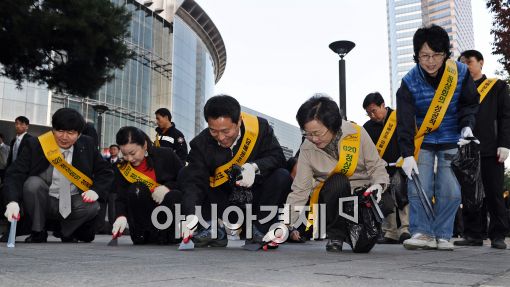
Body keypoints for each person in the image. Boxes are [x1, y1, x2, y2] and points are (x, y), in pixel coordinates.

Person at [396, 24, 479, 251]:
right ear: (416, 56)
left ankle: (442, 234)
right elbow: (403, 121)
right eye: (424, 55)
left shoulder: (460, 72)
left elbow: (470, 103)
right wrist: (406, 154)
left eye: (436, 54)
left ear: (445, 54)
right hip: (422, 141)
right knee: (419, 185)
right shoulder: (409, 82)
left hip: (452, 138)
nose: (430, 61)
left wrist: (467, 127)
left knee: (450, 188)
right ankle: (422, 232)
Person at [179, 95, 292, 248]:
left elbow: (278, 158)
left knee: (282, 176)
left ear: (238, 121)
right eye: (213, 131)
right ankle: (212, 228)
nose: (220, 138)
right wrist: (190, 214)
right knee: (186, 173)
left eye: (226, 131)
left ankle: (260, 229)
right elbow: (193, 181)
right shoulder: (201, 144)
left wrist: (254, 167)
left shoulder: (260, 128)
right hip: (224, 203)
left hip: (255, 201)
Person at [287, 95, 389, 252]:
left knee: (362, 247)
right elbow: (300, 190)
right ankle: (336, 235)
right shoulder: (307, 148)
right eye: (307, 133)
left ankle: (358, 229)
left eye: (317, 133)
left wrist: (379, 185)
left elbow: (376, 166)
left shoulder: (357, 134)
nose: (313, 139)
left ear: (333, 125)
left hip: (361, 196)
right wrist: (284, 224)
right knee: (338, 180)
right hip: (331, 198)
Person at [2, 108, 114, 243]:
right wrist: (12, 201)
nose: (64, 137)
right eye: (60, 131)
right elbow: (15, 173)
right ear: (53, 130)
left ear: (78, 135)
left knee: (92, 206)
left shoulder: (88, 144)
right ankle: (38, 231)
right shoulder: (36, 144)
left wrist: (95, 190)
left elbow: (106, 172)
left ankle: (66, 231)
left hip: (72, 201)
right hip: (44, 199)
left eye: (70, 133)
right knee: (33, 184)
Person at [454, 49, 510, 249]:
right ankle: (473, 234)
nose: (465, 66)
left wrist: (504, 143)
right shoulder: (459, 90)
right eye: (461, 63)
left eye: (468, 62)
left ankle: (498, 235)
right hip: (467, 149)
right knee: (470, 194)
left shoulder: (497, 86)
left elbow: (505, 116)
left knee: (494, 192)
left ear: (481, 63)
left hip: (491, 147)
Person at [111, 126, 183, 244]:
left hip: (167, 219)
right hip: (143, 228)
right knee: (136, 189)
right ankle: (144, 234)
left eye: (133, 153)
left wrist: (167, 187)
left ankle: (170, 235)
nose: (129, 158)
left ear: (144, 145)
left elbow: (185, 180)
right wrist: (121, 216)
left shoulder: (166, 155)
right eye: (124, 154)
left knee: (174, 195)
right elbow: (121, 197)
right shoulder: (122, 167)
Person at [362, 92, 411, 244]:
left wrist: (406, 155)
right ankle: (390, 232)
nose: (371, 115)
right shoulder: (367, 127)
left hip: (400, 164)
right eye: (368, 113)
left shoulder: (398, 117)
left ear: (382, 105)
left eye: (373, 110)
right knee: (385, 196)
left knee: (402, 195)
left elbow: (409, 136)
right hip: (381, 168)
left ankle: (405, 229)